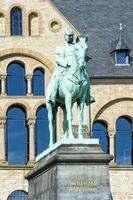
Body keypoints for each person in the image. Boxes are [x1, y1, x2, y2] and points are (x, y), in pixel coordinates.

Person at [46, 28, 75, 105]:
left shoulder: (76, 46)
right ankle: (53, 96)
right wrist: (67, 63)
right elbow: (58, 59)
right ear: (65, 37)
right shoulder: (61, 47)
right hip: (64, 68)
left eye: (72, 36)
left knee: (85, 77)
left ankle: (88, 96)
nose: (71, 37)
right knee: (56, 78)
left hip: (75, 67)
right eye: (69, 36)